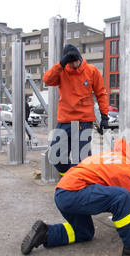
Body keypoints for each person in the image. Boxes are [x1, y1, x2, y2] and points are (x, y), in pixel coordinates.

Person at [21, 138, 130, 256]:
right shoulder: (125, 169)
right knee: (123, 196)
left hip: (62, 193)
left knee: (84, 233)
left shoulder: (111, 156)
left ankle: (45, 233)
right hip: (75, 192)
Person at [43, 44, 109, 176]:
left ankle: (79, 185)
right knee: (56, 155)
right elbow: (47, 80)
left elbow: (101, 93)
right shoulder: (61, 71)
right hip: (65, 119)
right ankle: (70, 177)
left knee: (81, 158)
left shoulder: (92, 71)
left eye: (76, 61)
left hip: (83, 120)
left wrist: (104, 116)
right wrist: (61, 63)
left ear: (80, 58)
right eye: (71, 62)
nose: (74, 64)